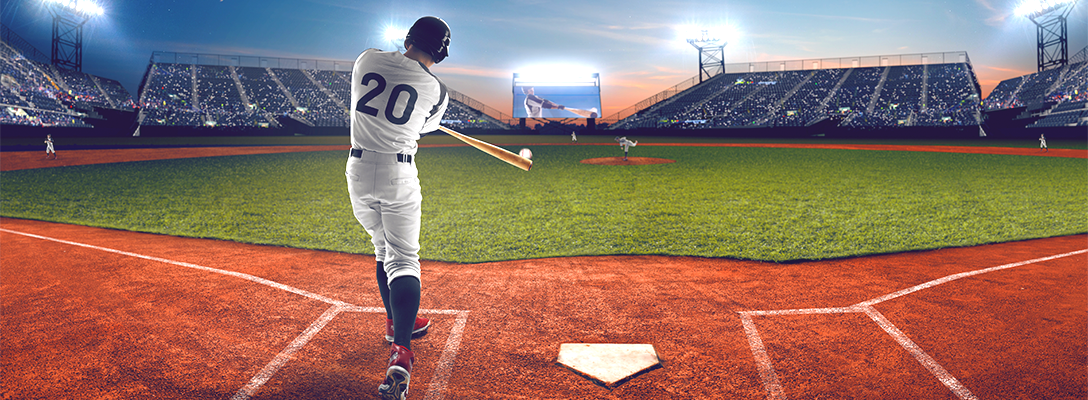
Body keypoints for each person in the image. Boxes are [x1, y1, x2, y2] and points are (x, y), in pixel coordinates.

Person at [346, 16, 450, 400]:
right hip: (397, 171)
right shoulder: (437, 90)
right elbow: (421, 127)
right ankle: (401, 351)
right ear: (442, 51)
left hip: (356, 169)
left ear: (408, 38)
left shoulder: (366, 59)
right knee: (404, 259)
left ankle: (394, 322)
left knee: (381, 246)